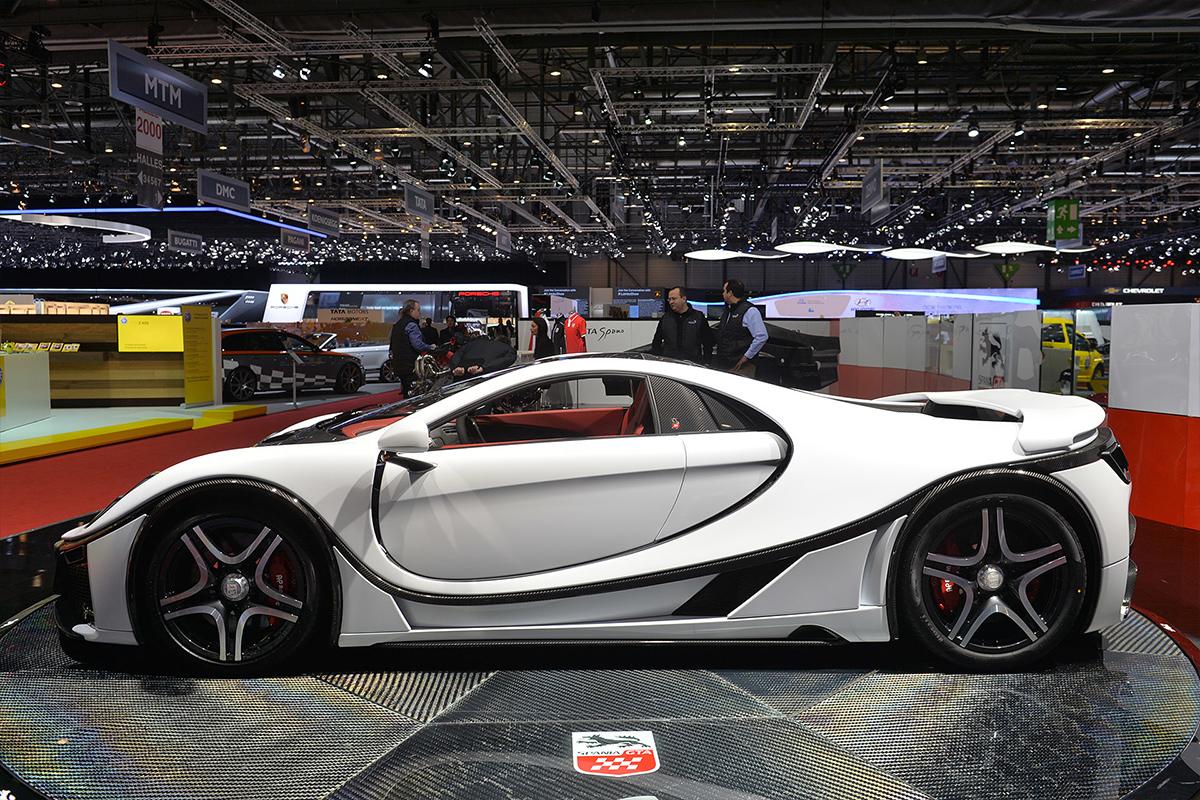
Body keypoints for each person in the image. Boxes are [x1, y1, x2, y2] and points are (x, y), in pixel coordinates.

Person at [713, 279, 768, 377]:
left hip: (741, 366)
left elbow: (762, 336)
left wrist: (747, 356)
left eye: (724, 291)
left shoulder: (750, 311)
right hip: (724, 364)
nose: (722, 294)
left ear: (730, 293)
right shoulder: (728, 311)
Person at [651, 286, 714, 363]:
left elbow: (707, 342)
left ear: (684, 299)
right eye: (669, 299)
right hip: (670, 364)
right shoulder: (665, 318)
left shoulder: (698, 317)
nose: (671, 302)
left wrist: (707, 362)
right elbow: (656, 342)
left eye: (674, 299)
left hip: (693, 364)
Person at [389, 299, 436, 395]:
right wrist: (431, 347)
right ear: (411, 311)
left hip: (398, 365)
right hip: (411, 366)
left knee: (406, 391)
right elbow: (417, 345)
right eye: (418, 310)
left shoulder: (397, 325)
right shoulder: (411, 325)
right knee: (415, 394)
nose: (420, 313)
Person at [449, 325, 517, 379]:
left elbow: (457, 354)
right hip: (483, 376)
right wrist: (484, 368)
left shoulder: (473, 343)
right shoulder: (508, 348)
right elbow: (506, 360)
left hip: (461, 375)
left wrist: (455, 368)